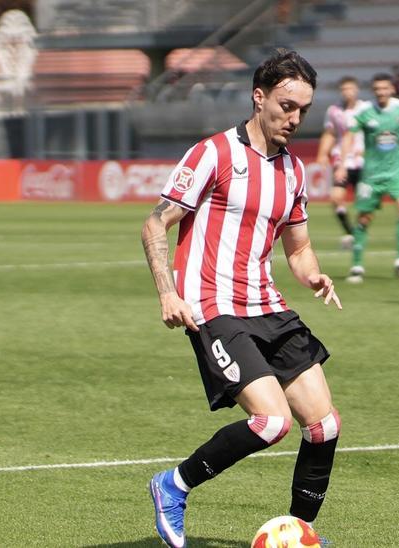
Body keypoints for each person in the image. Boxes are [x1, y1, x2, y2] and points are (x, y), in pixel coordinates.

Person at [140, 50, 343, 548]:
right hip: (212, 305)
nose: (294, 118)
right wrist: (168, 293)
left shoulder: (294, 170)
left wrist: (314, 275)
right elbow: (154, 223)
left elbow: (298, 248)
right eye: (286, 105)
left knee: (324, 426)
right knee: (271, 422)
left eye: (303, 110)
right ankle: (174, 485)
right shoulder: (213, 153)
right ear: (259, 97)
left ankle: (300, 534)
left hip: (267, 305)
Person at [336, 73, 399, 283]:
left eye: (385, 88)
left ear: (392, 89)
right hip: (371, 174)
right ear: (374, 91)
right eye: (377, 89)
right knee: (364, 218)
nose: (381, 92)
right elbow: (349, 136)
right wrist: (343, 165)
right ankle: (356, 266)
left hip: (396, 171)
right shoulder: (365, 111)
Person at [316, 76, 371, 250]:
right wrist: (323, 154)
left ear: (357, 90)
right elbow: (330, 133)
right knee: (336, 197)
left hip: (365, 161)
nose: (348, 92)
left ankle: (358, 235)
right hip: (342, 161)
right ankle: (351, 233)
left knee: (365, 204)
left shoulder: (367, 108)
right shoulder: (334, 110)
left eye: (351, 89)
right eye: (344, 89)